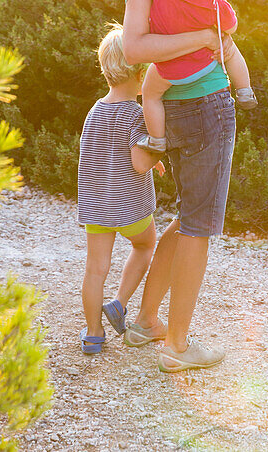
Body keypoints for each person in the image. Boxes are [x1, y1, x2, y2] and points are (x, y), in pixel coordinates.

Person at [107, 0, 236, 372]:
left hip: (189, 107)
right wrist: (206, 37)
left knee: (186, 218)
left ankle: (146, 323)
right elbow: (134, 46)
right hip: (201, 108)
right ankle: (180, 348)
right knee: (200, 228)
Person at [77, 25, 166, 355]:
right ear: (141, 72)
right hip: (129, 208)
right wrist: (155, 153)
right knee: (145, 246)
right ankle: (119, 303)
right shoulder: (136, 113)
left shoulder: (94, 111)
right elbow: (139, 164)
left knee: (94, 269)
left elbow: (101, 152)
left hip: (97, 207)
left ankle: (92, 334)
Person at [140, 0, 257, 153]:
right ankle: (245, 91)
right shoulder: (213, 1)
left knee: (149, 94)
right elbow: (231, 26)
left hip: (168, 69)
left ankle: (156, 140)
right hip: (201, 64)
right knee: (230, 50)